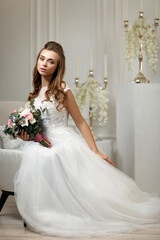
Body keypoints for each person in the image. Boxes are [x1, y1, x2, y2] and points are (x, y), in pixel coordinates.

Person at [14, 41, 160, 237]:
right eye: (42, 59)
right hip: (42, 142)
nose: (44, 64)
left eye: (50, 62)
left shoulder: (63, 90)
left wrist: (95, 151)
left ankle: (71, 208)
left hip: (63, 139)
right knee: (40, 156)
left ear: (58, 67)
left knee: (54, 156)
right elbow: (35, 127)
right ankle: (47, 209)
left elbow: (81, 122)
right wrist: (26, 135)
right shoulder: (34, 94)